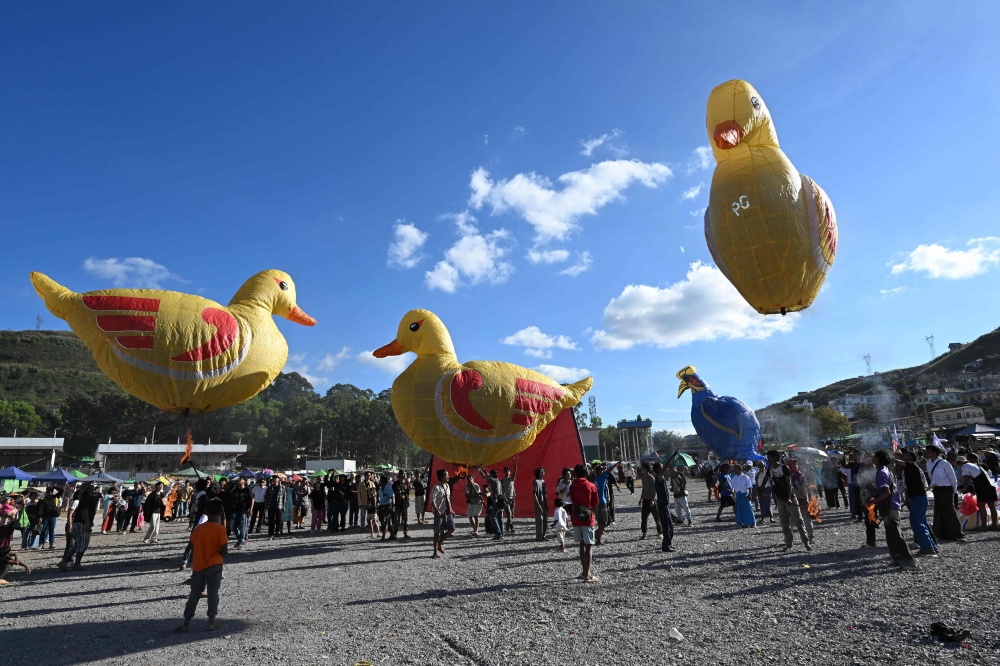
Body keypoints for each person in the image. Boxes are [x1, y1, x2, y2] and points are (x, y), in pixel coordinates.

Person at [176, 498, 228, 633]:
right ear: (220, 513)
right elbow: (224, 550)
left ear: (206, 511)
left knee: (194, 594)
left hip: (199, 565)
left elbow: (192, 545)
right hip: (215, 564)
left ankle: (186, 623)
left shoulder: (199, 529)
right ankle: (212, 621)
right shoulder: (220, 529)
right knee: (213, 593)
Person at [866, 450, 918, 570]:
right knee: (890, 535)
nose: (872, 459)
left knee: (896, 534)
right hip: (890, 505)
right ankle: (896, 559)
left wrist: (872, 502)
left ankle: (909, 562)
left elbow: (886, 492)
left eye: (874, 457)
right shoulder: (884, 470)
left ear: (878, 459)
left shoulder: (881, 472)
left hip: (890, 506)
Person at [765, 450, 811, 552]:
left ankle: (806, 542)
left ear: (774, 457)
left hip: (790, 498)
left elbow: (788, 483)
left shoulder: (783, 468)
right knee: (784, 523)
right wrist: (760, 490)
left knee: (798, 521)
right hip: (780, 499)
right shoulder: (770, 469)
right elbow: (766, 478)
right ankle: (789, 544)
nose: (768, 458)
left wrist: (789, 497)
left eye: (769, 457)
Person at [894, 450, 937, 556]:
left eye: (905, 454)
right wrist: (907, 498)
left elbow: (896, 461)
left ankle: (927, 547)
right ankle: (931, 546)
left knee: (917, 522)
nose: (903, 456)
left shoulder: (912, 465)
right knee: (920, 522)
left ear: (910, 457)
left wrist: (890, 457)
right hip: (916, 497)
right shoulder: (907, 470)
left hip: (918, 497)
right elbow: (907, 486)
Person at [925, 443, 964, 541]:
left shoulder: (944, 463)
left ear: (934, 452)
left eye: (928, 451)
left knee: (949, 511)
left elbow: (952, 478)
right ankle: (941, 533)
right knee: (939, 510)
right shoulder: (928, 463)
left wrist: (954, 491)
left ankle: (956, 533)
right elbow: (930, 476)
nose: (926, 453)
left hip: (946, 489)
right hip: (937, 489)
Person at [58, 483, 99, 572]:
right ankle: (77, 564)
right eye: (92, 486)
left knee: (77, 545)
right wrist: (88, 522)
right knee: (83, 544)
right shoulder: (86, 497)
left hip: (78, 523)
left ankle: (64, 562)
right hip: (82, 523)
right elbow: (84, 510)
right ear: (88, 489)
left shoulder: (87, 497)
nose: (94, 488)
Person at [569, 464, 598, 582]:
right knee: (589, 546)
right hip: (588, 518)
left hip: (576, 518)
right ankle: (588, 574)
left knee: (581, 546)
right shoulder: (590, 485)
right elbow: (595, 503)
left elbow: (571, 499)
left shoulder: (572, 486)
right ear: (585, 473)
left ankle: (583, 571)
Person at [960, 454, 998, 531]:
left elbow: (966, 481)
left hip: (983, 488)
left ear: (959, 462)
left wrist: (964, 489)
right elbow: (979, 479)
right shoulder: (977, 466)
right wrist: (975, 491)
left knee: (981, 506)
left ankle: (984, 526)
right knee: (992, 506)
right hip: (991, 487)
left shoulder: (964, 466)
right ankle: (995, 525)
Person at [429, 469, 455, 558]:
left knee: (452, 528)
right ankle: (435, 552)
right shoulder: (436, 487)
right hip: (439, 513)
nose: (448, 476)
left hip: (447, 512)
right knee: (437, 532)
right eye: (446, 475)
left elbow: (448, 499)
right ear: (442, 476)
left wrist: (451, 509)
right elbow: (432, 500)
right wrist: (437, 510)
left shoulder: (447, 486)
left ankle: (439, 543)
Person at [653, 463, 674, 553]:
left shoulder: (661, 478)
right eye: (661, 467)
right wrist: (672, 457)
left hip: (666, 504)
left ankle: (668, 543)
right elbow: (665, 467)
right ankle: (665, 546)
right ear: (657, 469)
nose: (663, 468)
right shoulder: (658, 477)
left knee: (670, 525)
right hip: (662, 505)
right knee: (666, 526)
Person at [479, 467, 505, 539]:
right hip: (501, 501)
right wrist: (485, 471)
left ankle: (498, 533)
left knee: (492, 517)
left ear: (492, 475)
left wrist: (479, 470)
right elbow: (487, 475)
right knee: (500, 518)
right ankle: (501, 533)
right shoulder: (498, 481)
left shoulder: (493, 480)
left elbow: (484, 477)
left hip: (496, 501)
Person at [637, 463, 662, 539]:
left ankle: (660, 532)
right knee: (643, 518)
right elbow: (643, 489)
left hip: (651, 501)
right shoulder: (643, 478)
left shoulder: (651, 478)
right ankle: (644, 533)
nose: (641, 470)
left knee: (656, 517)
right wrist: (641, 499)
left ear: (646, 469)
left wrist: (653, 500)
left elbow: (654, 490)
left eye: (642, 468)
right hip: (645, 500)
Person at [230, 476, 253, 549]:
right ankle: (240, 539)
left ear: (244, 482)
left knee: (243, 527)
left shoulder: (247, 490)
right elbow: (232, 498)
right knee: (233, 527)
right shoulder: (235, 490)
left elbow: (252, 500)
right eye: (238, 482)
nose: (239, 484)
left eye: (241, 482)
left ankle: (240, 542)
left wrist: (251, 510)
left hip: (244, 510)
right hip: (236, 510)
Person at [500, 457, 519, 534]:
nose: (507, 472)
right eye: (506, 471)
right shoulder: (501, 481)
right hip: (506, 499)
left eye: (508, 471)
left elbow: (515, 470)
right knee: (509, 513)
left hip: (512, 498)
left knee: (511, 514)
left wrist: (516, 462)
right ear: (504, 472)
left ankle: (508, 528)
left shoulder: (512, 479)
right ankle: (512, 528)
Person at [376, 475, 396, 540]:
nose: (379, 483)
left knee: (385, 521)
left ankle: (383, 537)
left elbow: (392, 497)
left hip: (387, 506)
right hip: (381, 506)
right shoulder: (380, 489)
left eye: (381, 482)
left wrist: (393, 506)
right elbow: (379, 497)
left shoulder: (388, 488)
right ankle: (393, 535)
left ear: (384, 482)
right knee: (383, 521)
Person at [392, 472, 411, 538]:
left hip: (404, 503)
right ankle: (395, 533)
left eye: (405, 474)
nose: (405, 475)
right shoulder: (395, 483)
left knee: (405, 518)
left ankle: (405, 533)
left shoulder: (406, 483)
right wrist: (399, 489)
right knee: (396, 519)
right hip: (397, 503)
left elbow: (409, 492)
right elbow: (393, 492)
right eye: (403, 474)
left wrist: (408, 487)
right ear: (399, 475)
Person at [533, 467, 548, 541]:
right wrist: (538, 504)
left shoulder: (543, 481)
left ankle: (544, 535)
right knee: (540, 520)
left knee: (545, 520)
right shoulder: (535, 481)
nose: (542, 472)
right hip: (539, 503)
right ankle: (539, 536)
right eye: (541, 471)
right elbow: (534, 493)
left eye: (543, 471)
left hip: (544, 503)